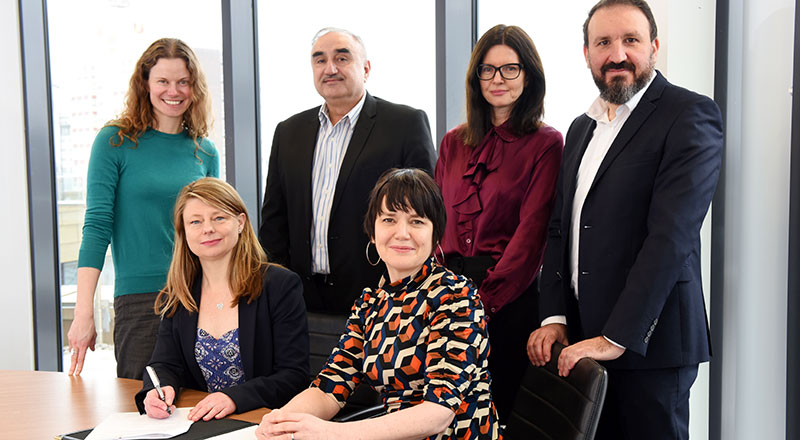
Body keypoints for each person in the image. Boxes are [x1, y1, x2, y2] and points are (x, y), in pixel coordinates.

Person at [526, 1, 723, 439]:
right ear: (586, 54)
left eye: (630, 40)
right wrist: (554, 314)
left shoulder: (689, 114)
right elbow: (560, 226)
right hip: (580, 338)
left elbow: (670, 238)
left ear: (653, 46)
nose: (617, 54)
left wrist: (615, 337)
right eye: (603, 43)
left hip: (648, 343)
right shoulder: (581, 127)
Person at [256, 169, 501, 440]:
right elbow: (331, 386)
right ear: (372, 232)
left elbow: (438, 412)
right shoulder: (371, 302)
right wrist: (282, 421)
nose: (402, 233)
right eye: (389, 219)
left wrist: (334, 432)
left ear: (436, 236)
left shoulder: (455, 295)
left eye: (417, 222)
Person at [67, 38, 219, 379]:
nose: (174, 91)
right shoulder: (115, 142)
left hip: (198, 294)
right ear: (145, 84)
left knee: (201, 406)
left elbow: (213, 232)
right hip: (140, 298)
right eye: (163, 81)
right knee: (141, 404)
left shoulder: (205, 151)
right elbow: (97, 226)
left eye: (183, 82)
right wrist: (83, 312)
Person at [259, 27, 436, 319]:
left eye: (342, 58)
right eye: (320, 60)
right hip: (300, 300)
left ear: (365, 68)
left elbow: (425, 214)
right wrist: (277, 287)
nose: (330, 68)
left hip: (383, 296)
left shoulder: (404, 124)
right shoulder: (288, 132)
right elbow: (274, 223)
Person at [435, 24, 563, 423]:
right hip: (448, 299)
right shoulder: (453, 142)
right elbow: (435, 223)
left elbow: (532, 236)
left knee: (494, 413)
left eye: (510, 69)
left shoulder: (547, 143)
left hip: (507, 303)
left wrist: (482, 304)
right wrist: (439, 294)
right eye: (487, 70)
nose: (497, 80)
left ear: (529, 75)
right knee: (443, 414)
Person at [135, 177, 309, 420]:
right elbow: (164, 365)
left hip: (264, 421)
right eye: (196, 221)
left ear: (240, 222)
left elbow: (293, 375)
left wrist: (234, 397)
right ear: (184, 233)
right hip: (201, 424)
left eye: (219, 218)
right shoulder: (179, 294)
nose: (208, 229)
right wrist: (158, 390)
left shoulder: (279, 286)